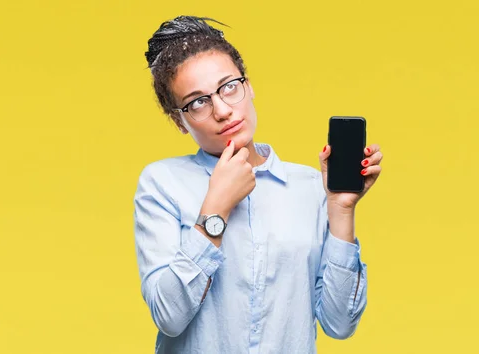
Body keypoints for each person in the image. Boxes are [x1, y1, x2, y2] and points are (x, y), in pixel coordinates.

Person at [133, 15, 383, 354]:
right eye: (197, 102)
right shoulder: (162, 184)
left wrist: (340, 210)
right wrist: (216, 209)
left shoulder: (309, 187)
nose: (222, 110)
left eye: (229, 87)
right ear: (179, 121)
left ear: (248, 86)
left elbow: (339, 324)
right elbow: (169, 316)